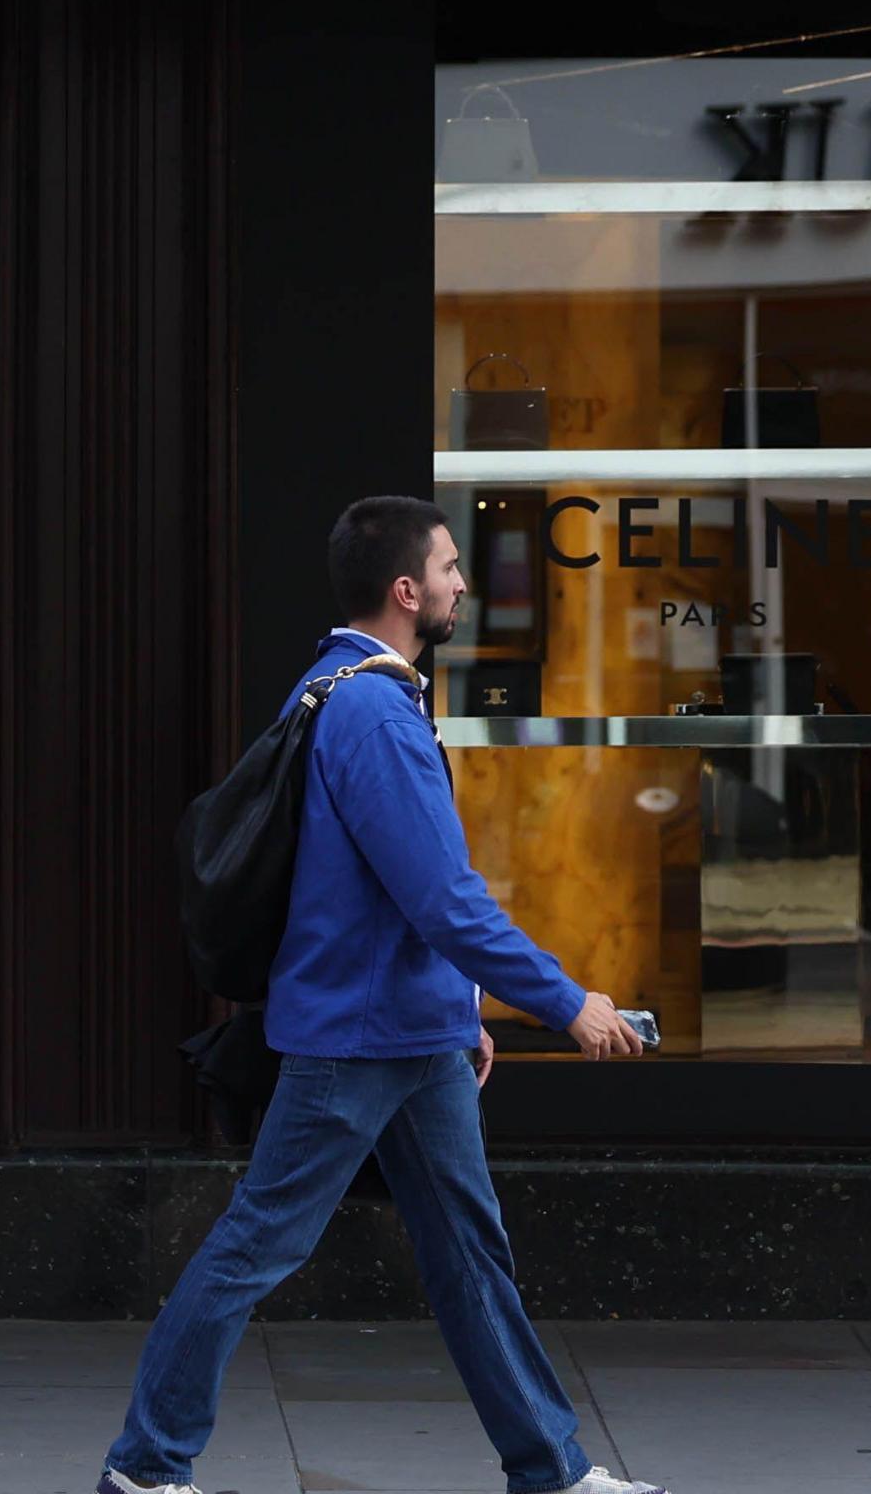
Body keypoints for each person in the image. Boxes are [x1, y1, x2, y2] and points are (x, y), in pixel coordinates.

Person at [100, 497, 659, 1494]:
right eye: (447, 568)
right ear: (406, 592)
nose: (458, 583)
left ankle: (552, 1471)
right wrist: (563, 1002)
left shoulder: (330, 690)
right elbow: (442, 897)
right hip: (355, 1042)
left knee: (468, 1259)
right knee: (254, 1248)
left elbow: (383, 896)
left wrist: (458, 1014)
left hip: (408, 1033)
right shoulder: (373, 714)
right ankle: (147, 1466)